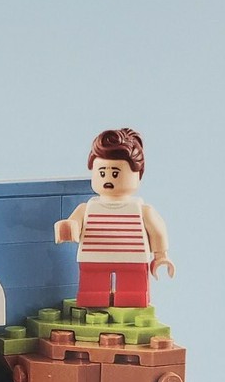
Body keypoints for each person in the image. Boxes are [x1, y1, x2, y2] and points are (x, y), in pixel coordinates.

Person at [54, 128, 175, 309]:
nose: (108, 179)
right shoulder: (87, 208)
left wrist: (161, 256)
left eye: (116, 173)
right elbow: (74, 224)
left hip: (133, 260)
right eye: (102, 173)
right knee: (92, 291)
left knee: (132, 292)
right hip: (93, 259)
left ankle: (130, 304)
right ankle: (93, 304)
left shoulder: (141, 210)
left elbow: (157, 230)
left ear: (138, 175)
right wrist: (69, 227)